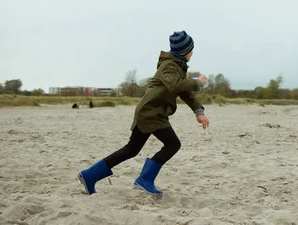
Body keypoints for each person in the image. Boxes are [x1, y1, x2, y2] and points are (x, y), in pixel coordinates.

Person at [77, 30, 209, 196]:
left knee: (131, 149)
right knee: (172, 144)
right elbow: (176, 85)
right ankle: (144, 180)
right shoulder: (168, 66)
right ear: (185, 51)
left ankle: (89, 175)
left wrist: (199, 111)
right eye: (191, 49)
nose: (193, 52)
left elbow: (185, 92)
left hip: (150, 113)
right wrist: (197, 82)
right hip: (151, 113)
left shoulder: (177, 67)